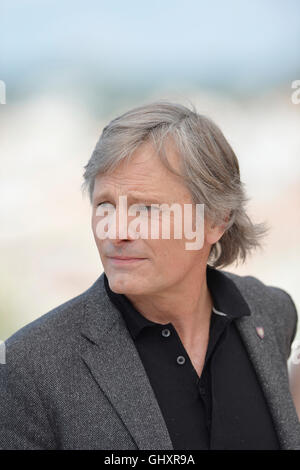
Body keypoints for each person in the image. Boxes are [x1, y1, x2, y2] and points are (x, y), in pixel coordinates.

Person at [0, 101, 299, 450]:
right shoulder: (29, 367)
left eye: (146, 208)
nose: (116, 231)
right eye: (105, 206)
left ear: (216, 220)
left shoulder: (271, 312)